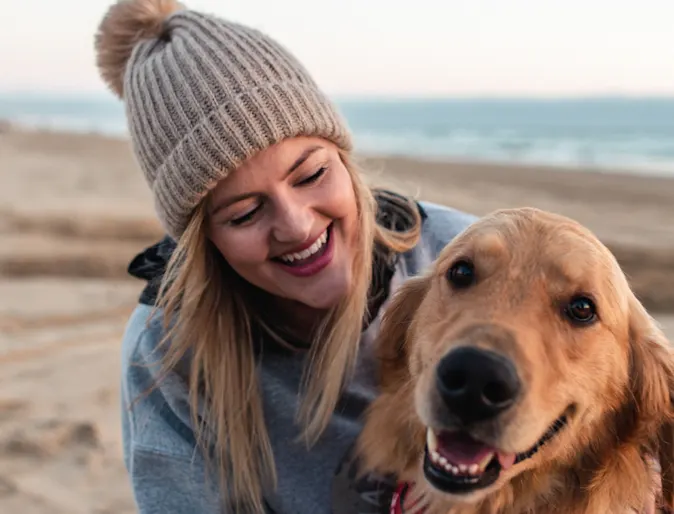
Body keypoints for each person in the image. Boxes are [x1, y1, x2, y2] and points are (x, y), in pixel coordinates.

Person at [95, 2, 661, 514]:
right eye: (243, 212)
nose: (296, 226)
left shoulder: (454, 247)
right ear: (203, 241)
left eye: (312, 174)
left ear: (345, 162)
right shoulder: (165, 353)